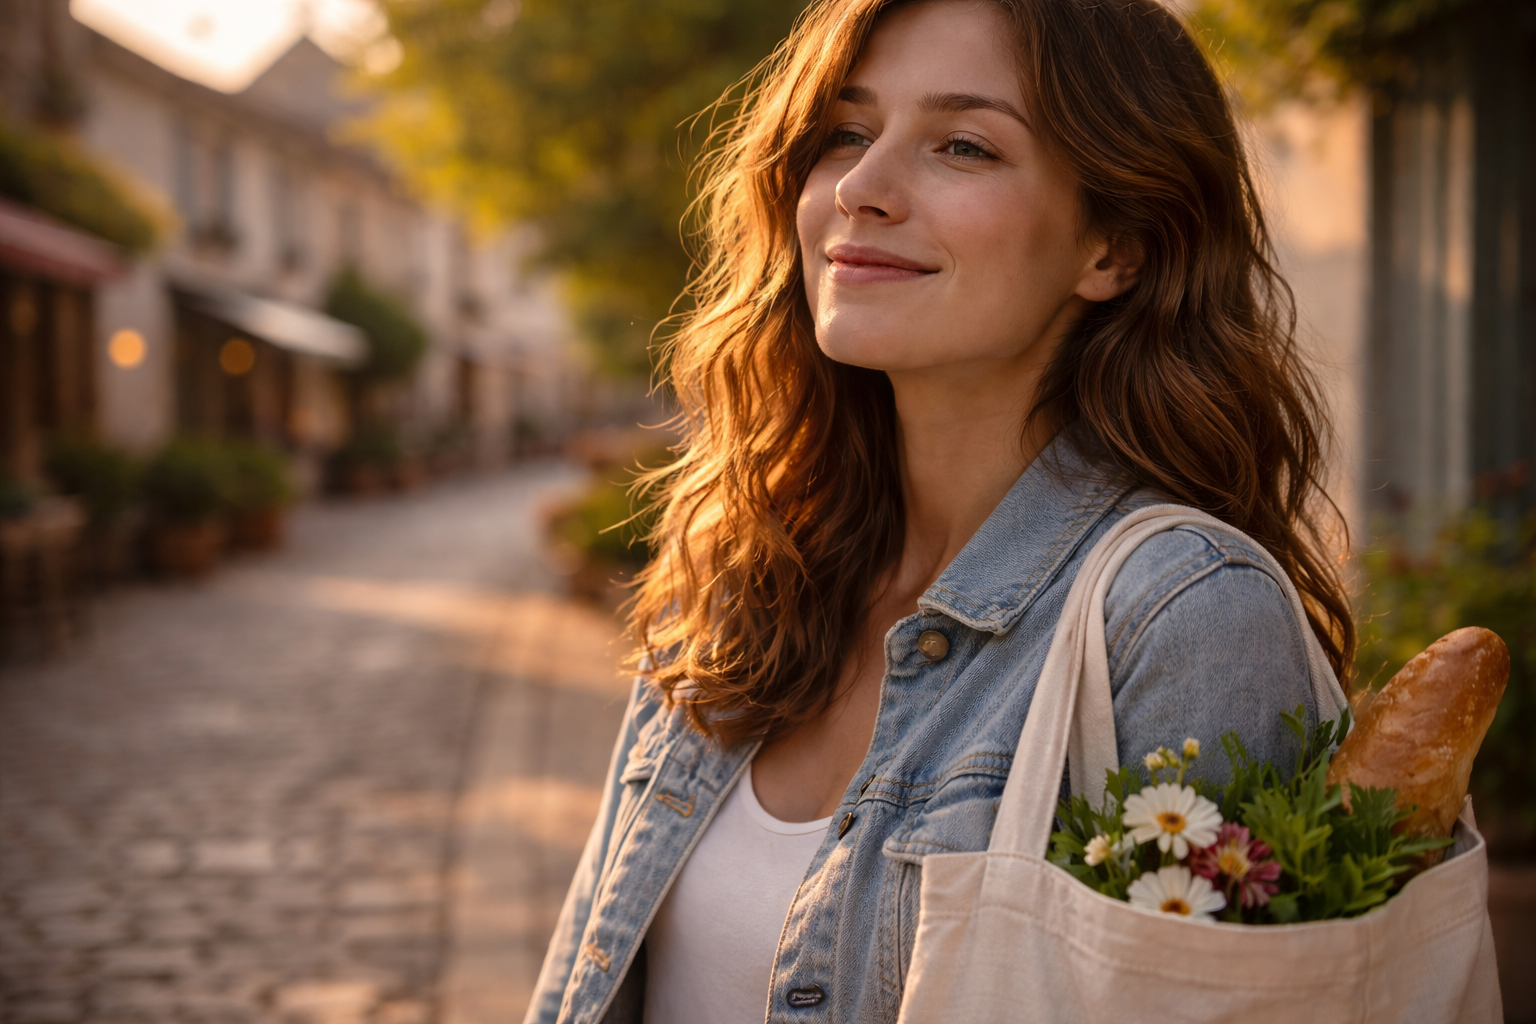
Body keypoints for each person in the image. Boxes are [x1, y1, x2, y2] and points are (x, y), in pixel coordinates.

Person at [527, 0, 1354, 1020]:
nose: (863, 190)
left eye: (963, 146)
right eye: (844, 132)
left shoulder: (1178, 620)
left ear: (1115, 248)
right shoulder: (748, 558)